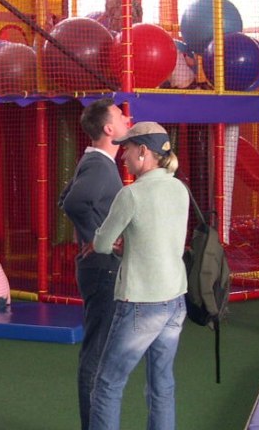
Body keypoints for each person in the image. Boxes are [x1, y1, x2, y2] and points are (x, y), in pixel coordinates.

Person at [89, 122, 188, 430]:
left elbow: (101, 244)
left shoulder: (130, 194)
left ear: (144, 152)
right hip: (175, 300)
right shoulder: (179, 188)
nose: (123, 156)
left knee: (107, 385)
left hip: (141, 303)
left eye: (127, 149)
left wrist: (118, 245)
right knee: (162, 385)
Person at [57, 97, 131, 430]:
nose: (126, 119)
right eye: (120, 115)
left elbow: (66, 200)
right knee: (98, 354)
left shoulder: (96, 163)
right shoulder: (100, 165)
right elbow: (73, 202)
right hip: (102, 268)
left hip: (100, 266)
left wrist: (96, 236)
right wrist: (97, 239)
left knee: (101, 351)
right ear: (108, 128)